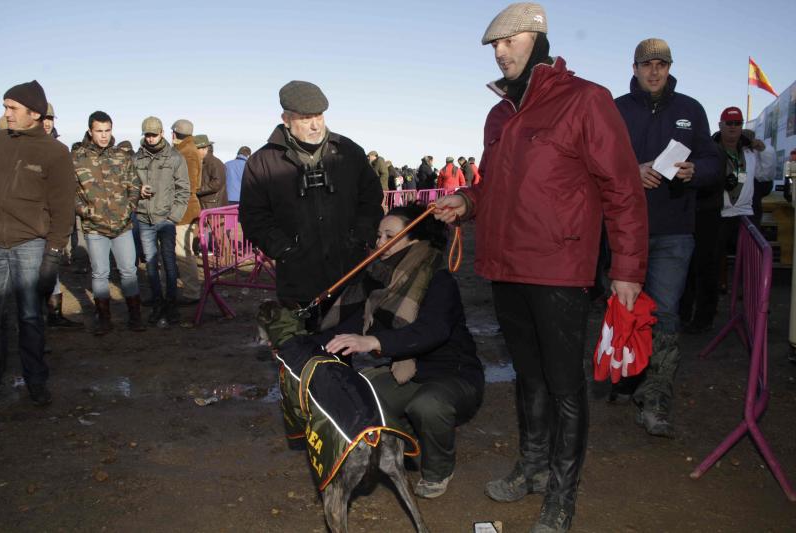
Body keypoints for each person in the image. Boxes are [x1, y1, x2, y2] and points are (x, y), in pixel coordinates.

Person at [435, 5, 648, 531]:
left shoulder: (586, 100)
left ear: (536, 38)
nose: (499, 52)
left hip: (559, 267)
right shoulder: (499, 114)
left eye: (508, 41)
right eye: (493, 46)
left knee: (564, 385)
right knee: (528, 377)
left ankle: (561, 492)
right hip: (505, 265)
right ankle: (531, 467)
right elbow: (495, 186)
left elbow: (622, 190)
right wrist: (468, 202)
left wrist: (627, 268)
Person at [311, 203, 484, 499]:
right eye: (378, 236)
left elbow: (434, 330)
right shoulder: (380, 277)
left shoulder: (438, 278)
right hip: (407, 373)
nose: (379, 244)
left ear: (413, 239)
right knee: (359, 394)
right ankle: (403, 442)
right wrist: (306, 343)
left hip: (453, 375)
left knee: (427, 406)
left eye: (388, 235)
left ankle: (438, 469)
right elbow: (349, 321)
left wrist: (375, 342)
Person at [613, 38, 720, 438]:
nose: (654, 71)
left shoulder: (690, 109)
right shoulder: (617, 110)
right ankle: (626, 377)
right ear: (635, 67)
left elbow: (712, 160)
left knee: (666, 315)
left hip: (675, 230)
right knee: (624, 313)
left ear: (670, 67)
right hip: (625, 230)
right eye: (646, 64)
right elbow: (598, 163)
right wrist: (630, 172)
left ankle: (655, 400)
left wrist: (697, 170)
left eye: (661, 64)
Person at [239, 81, 384, 330]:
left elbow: (371, 198)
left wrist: (361, 235)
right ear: (286, 119)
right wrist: (285, 249)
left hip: (349, 273)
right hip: (297, 280)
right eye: (306, 118)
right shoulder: (261, 162)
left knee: (343, 351)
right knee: (301, 354)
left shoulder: (348, 151)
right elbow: (253, 215)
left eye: (319, 116)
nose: (315, 124)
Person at [0, 81, 76, 405]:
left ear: (34, 113)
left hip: (30, 243)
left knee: (29, 315)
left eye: (12, 108)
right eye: (4, 107)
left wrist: (53, 255)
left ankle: (36, 381)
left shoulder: (55, 152)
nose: (6, 114)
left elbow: (63, 208)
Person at [682, 107, 775, 334]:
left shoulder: (752, 150)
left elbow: (765, 175)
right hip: (716, 215)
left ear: (742, 125)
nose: (733, 128)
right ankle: (703, 316)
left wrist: (766, 151)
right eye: (728, 123)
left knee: (754, 267)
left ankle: (756, 315)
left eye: (737, 123)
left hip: (745, 216)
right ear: (720, 124)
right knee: (706, 267)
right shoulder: (709, 149)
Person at [73, 111, 145, 335]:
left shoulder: (121, 156)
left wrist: (129, 207)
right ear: (90, 131)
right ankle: (104, 319)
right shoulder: (77, 158)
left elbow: (134, 185)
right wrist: (87, 212)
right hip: (95, 228)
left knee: (129, 272)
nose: (104, 136)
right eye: (99, 131)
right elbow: (68, 192)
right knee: (100, 274)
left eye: (107, 131)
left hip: (122, 226)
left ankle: (135, 317)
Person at [133, 116, 191, 325]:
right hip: (144, 218)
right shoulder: (136, 158)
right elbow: (129, 186)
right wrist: (137, 192)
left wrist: (173, 217)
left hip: (166, 220)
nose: (150, 139)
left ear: (162, 134)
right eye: (147, 135)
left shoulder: (175, 158)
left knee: (169, 263)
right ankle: (158, 303)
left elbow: (183, 190)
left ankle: (171, 304)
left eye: (153, 134)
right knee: (150, 265)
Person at [41, 102, 83, 330]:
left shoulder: (59, 150)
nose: (47, 123)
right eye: (42, 118)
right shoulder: (21, 147)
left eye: (50, 119)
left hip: (53, 220)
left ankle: (54, 315)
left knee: (51, 269)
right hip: (28, 222)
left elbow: (66, 187)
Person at [171, 119, 202, 304]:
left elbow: (188, 186)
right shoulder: (191, 150)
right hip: (188, 207)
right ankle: (192, 290)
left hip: (184, 209)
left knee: (183, 253)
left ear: (174, 134)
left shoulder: (185, 153)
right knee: (185, 251)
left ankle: (192, 292)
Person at [195, 135, 228, 210]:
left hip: (213, 208)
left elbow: (217, 183)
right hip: (208, 205)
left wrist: (197, 190)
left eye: (196, 149)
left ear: (205, 149)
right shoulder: (204, 162)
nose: (194, 152)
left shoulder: (215, 163)